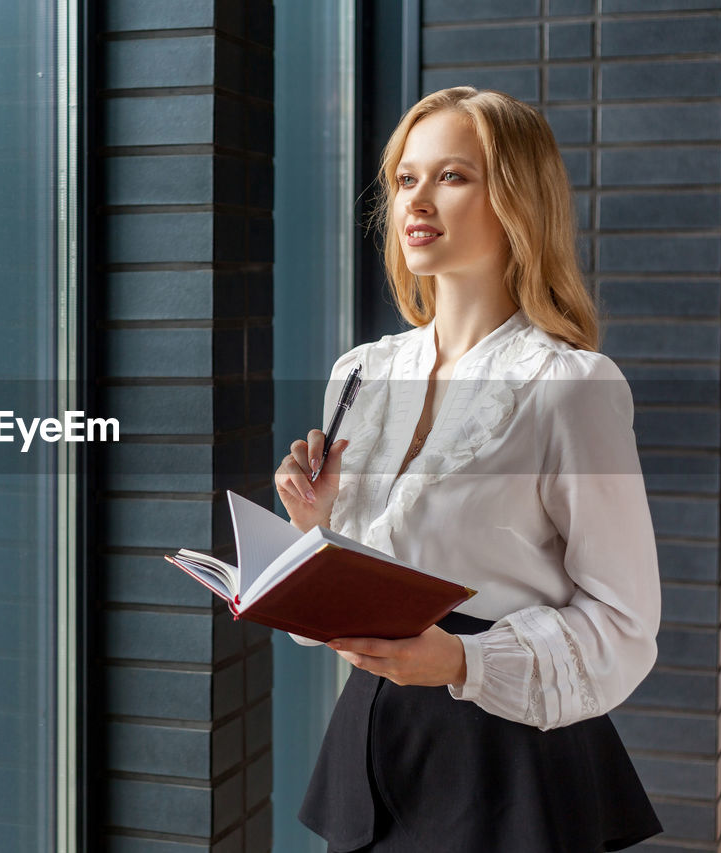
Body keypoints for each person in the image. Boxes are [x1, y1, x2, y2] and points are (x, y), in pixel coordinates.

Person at [273, 87, 663, 852]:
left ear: (517, 200)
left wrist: (462, 657)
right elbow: (361, 586)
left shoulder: (572, 387)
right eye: (405, 178)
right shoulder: (361, 373)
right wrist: (314, 530)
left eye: (452, 176)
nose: (417, 199)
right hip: (369, 751)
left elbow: (626, 627)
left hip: (504, 764)